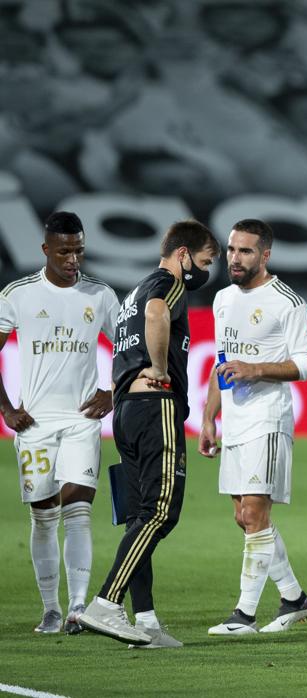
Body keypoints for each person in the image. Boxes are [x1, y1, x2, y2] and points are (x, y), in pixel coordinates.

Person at [77, 220, 220, 648]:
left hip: (125, 411)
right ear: (183, 255)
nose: (206, 271)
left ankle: (146, 621)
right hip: (155, 407)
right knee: (160, 512)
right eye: (205, 261)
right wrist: (159, 370)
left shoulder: (132, 292)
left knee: (140, 516)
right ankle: (106, 602)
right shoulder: (166, 283)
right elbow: (158, 313)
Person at [197, 219, 307, 635]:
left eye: (245, 251)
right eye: (231, 249)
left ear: (265, 255)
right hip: (234, 420)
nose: (234, 258)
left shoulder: (288, 302)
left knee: (253, 513)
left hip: (268, 419)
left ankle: (243, 615)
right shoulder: (223, 300)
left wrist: (258, 369)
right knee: (245, 518)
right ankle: (294, 598)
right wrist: (210, 417)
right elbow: (221, 362)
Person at [0, 212, 119, 635]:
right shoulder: (18, 294)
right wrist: (7, 408)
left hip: (82, 419)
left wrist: (112, 390)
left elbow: (128, 348)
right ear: (46, 249)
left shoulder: (100, 295)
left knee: (79, 509)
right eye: (65, 251)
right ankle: (50, 608)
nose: (73, 259)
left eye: (79, 250)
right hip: (34, 423)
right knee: (43, 514)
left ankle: (78, 607)